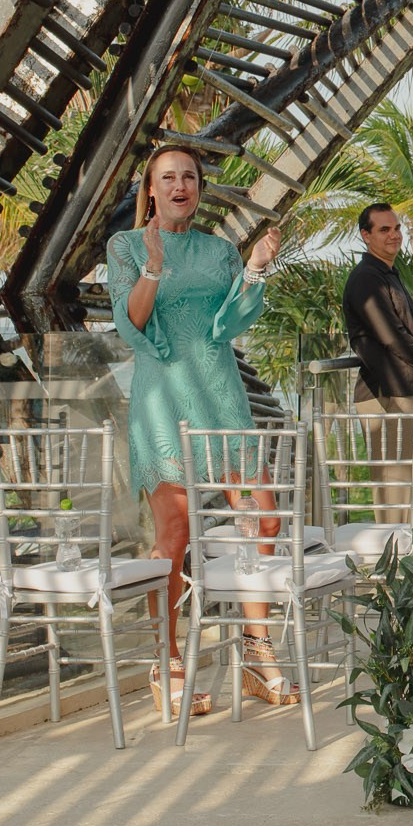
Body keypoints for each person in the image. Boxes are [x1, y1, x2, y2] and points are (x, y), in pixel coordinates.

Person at [106, 142, 287, 716]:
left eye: (189, 176)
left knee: (264, 515)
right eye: (169, 177)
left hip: (222, 394)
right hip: (163, 398)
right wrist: (154, 267)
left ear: (199, 189)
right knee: (175, 538)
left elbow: (229, 321)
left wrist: (255, 268)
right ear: (151, 189)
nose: (180, 185)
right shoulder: (126, 246)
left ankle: (257, 654)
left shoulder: (218, 251)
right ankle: (169, 662)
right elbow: (130, 322)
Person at [342, 203, 413, 521]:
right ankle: (391, 563)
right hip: (383, 393)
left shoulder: (388, 275)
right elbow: (391, 335)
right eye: (384, 229)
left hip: (402, 388)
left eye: (397, 228)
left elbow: (410, 332)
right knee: (391, 490)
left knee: (404, 485)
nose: (394, 235)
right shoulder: (365, 279)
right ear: (365, 235)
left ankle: (403, 559)